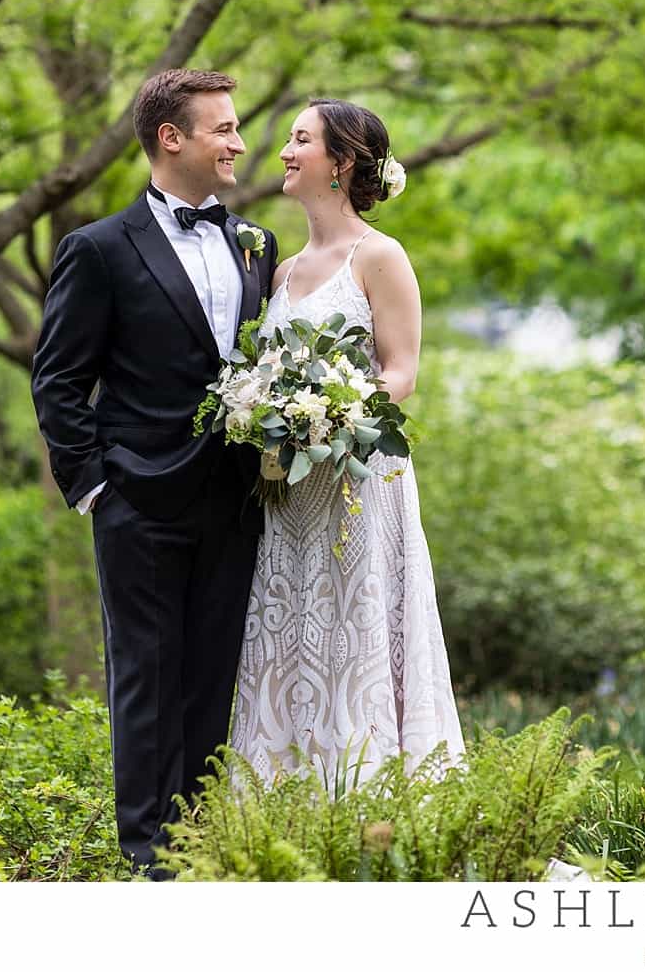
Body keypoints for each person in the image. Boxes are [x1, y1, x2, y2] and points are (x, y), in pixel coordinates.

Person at [31, 68, 277, 874]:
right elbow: (59, 378)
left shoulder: (257, 244)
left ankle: (200, 845)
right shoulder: (97, 249)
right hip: (137, 497)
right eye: (223, 128)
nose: (239, 142)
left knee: (212, 674)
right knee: (146, 674)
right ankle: (147, 857)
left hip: (235, 498)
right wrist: (95, 484)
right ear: (172, 138)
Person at [228, 98, 463, 782]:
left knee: (354, 632)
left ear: (341, 162)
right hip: (291, 489)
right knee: (292, 637)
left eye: (301, 139)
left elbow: (402, 373)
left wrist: (328, 415)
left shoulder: (380, 257)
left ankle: (370, 794)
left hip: (360, 479)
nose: (284, 151)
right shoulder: (279, 272)